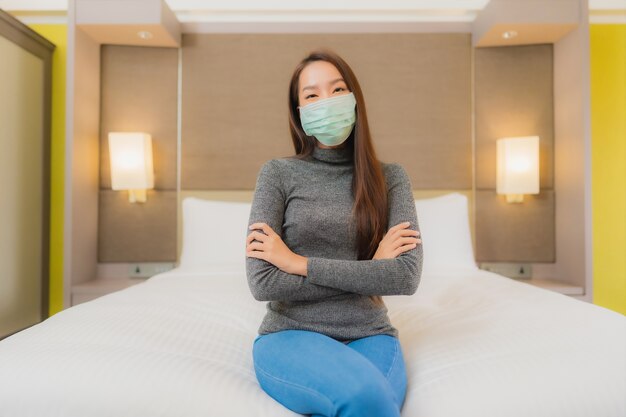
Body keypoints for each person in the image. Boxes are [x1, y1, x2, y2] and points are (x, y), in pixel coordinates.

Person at [245, 49, 423, 417]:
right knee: (370, 400)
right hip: (290, 333)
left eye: (338, 90)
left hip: (371, 334)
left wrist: (297, 263)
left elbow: (405, 276)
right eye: (311, 95)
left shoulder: (391, 179)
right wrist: (370, 272)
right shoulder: (277, 175)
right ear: (299, 114)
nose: (326, 101)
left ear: (355, 100)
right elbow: (263, 283)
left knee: (374, 403)